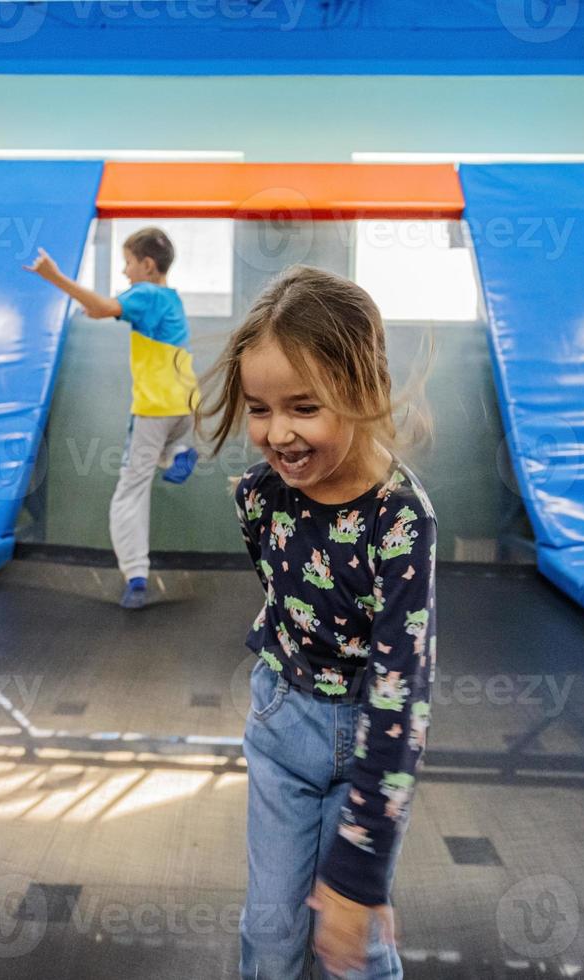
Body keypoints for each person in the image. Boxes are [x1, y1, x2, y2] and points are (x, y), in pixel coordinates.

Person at [196, 264, 436, 979]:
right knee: (271, 935)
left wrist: (360, 870)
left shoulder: (400, 518)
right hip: (280, 726)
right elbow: (282, 590)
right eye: (260, 409)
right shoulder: (260, 496)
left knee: (352, 944)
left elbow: (402, 693)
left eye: (304, 407)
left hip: (372, 734)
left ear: (361, 391)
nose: (277, 433)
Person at [24, 227, 198, 609]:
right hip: (184, 407)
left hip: (155, 408)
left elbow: (105, 307)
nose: (124, 272)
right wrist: (99, 308)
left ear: (147, 265)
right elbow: (108, 309)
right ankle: (177, 454)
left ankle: (135, 576)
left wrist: (55, 278)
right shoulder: (167, 298)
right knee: (162, 451)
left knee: (129, 493)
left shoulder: (146, 293)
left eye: (128, 264)